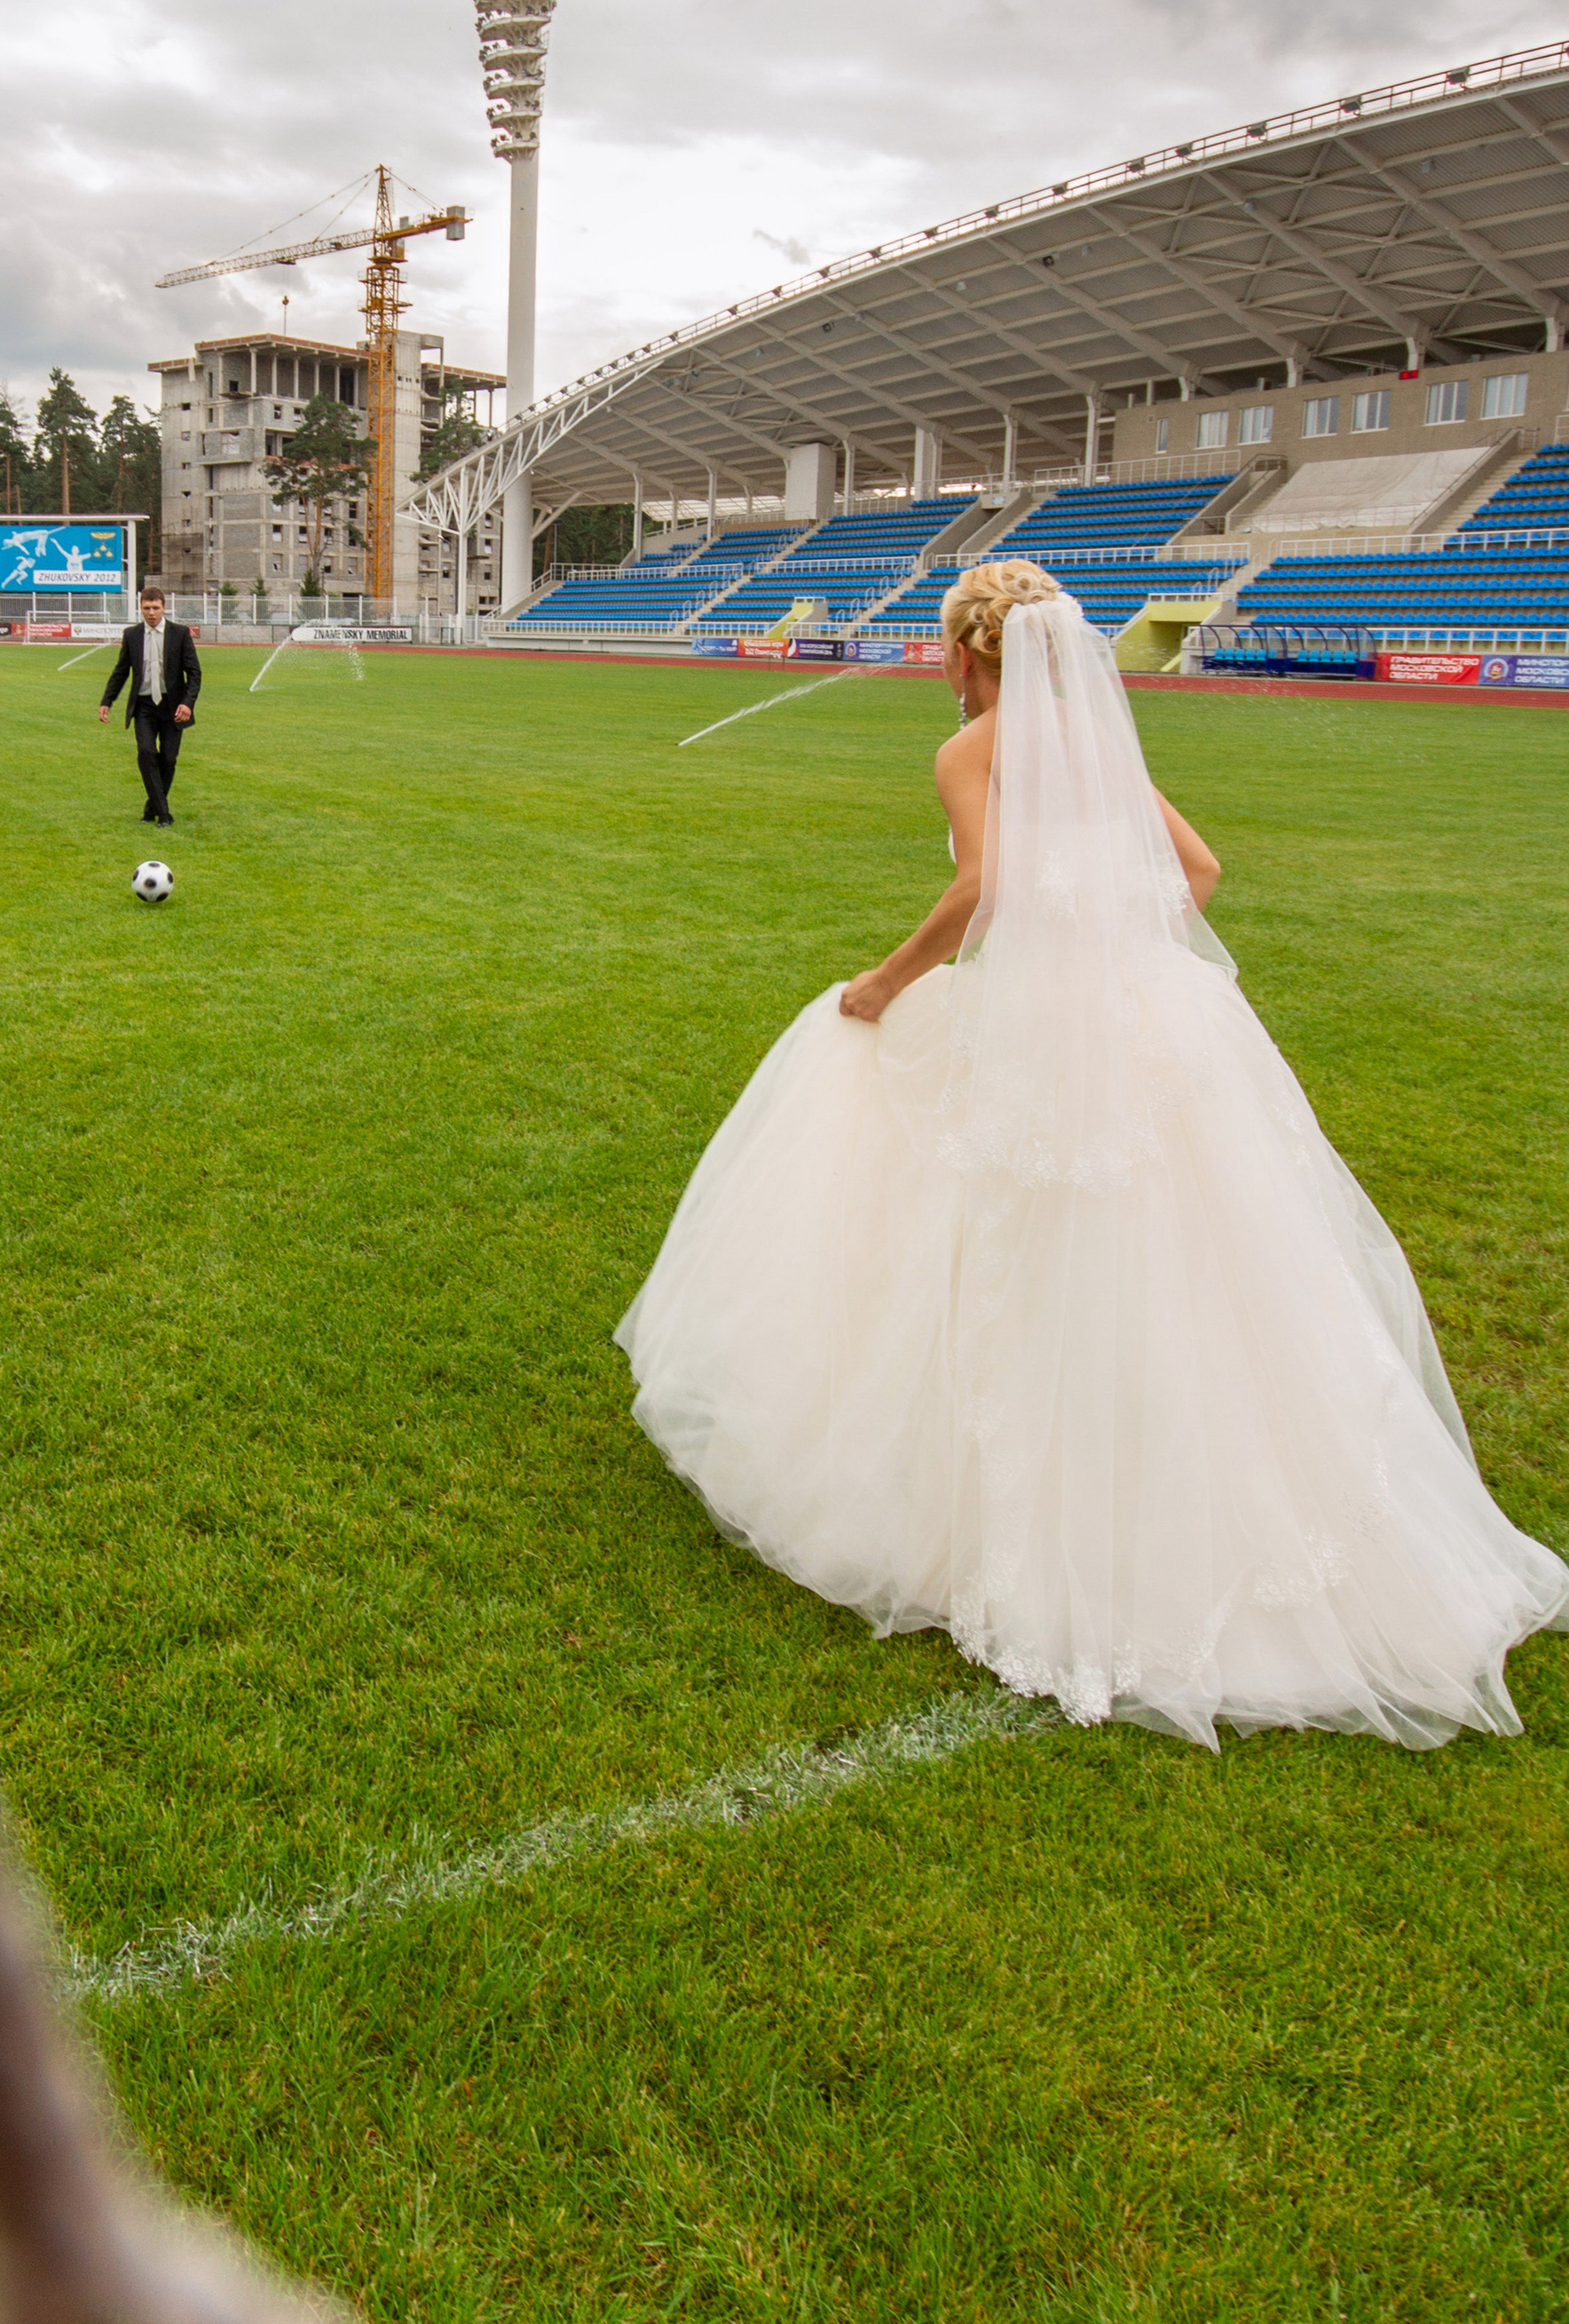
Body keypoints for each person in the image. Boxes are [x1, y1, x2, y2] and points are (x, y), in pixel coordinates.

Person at [620, 559, 1565, 1748]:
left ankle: (1037, 1524)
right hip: (1165, 1022)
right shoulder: (1095, 746)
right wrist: (1115, 952)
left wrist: (885, 981)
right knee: (1202, 1261)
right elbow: (1202, 873)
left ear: (970, 655)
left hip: (1052, 1032)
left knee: (1026, 1242)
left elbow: (987, 881)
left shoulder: (975, 750)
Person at [99, 584, 201, 826]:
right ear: (141, 608)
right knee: (146, 753)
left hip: (173, 707)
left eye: (156, 608)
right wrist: (107, 701)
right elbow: (121, 671)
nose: (151, 612)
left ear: (164, 608)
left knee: (168, 759)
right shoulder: (132, 635)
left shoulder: (180, 634)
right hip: (144, 706)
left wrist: (188, 703)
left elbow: (195, 673)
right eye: (147, 608)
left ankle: (151, 809)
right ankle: (164, 815)